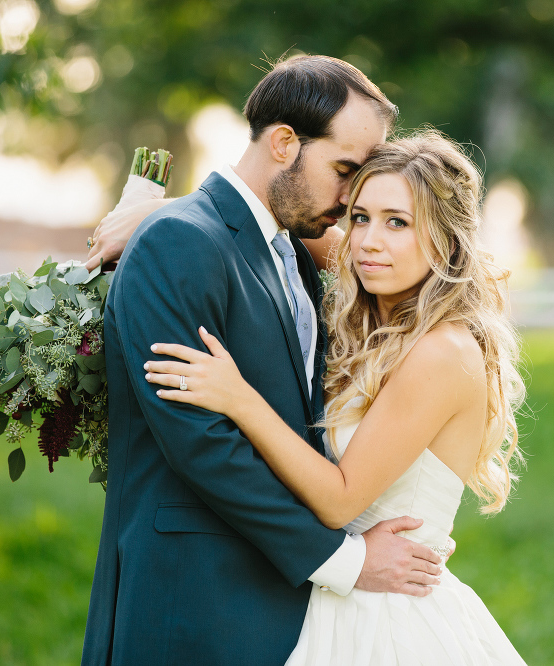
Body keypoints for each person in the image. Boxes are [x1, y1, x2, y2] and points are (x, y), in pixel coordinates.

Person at [82, 56, 447, 666]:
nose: (350, 196)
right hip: (191, 603)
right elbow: (203, 444)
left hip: (272, 602)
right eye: (345, 170)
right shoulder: (180, 242)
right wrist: (348, 561)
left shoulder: (292, 253)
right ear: (284, 143)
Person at [142, 130, 528, 664]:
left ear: (445, 238)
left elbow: (342, 497)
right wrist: (152, 217)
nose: (369, 241)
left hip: (390, 619)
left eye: (398, 222)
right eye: (361, 217)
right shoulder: (381, 310)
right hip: (338, 597)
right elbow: (254, 224)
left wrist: (239, 398)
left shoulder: (442, 352)